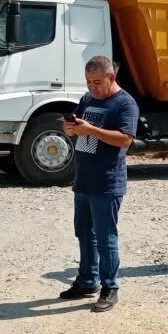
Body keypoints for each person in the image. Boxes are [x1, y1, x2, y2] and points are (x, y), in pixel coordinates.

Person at [60, 56, 139, 312]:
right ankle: (87, 281)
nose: (92, 87)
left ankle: (109, 287)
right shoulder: (87, 99)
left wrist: (90, 129)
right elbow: (80, 128)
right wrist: (70, 129)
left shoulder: (125, 103)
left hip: (107, 182)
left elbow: (125, 140)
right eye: (88, 82)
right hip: (83, 180)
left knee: (106, 238)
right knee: (84, 233)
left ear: (111, 78)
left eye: (97, 82)